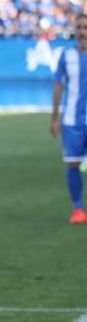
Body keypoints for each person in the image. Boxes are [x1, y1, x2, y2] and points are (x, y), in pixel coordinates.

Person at [50, 12, 87, 225]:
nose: (82, 32)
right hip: (72, 121)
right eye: (79, 28)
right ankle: (78, 209)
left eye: (85, 28)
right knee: (73, 164)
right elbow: (58, 85)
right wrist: (54, 117)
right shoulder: (66, 55)